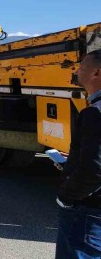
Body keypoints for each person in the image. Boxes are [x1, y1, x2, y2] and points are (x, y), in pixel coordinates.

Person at [56, 49, 101, 258]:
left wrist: (66, 197)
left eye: (83, 65)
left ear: (97, 73)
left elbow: (95, 171)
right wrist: (76, 159)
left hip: (89, 212)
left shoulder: (94, 113)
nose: (78, 69)